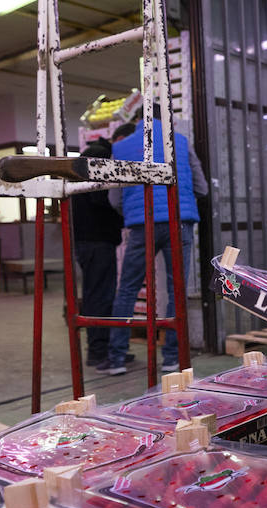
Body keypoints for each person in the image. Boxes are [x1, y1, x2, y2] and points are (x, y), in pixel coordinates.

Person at [100, 116, 205, 375]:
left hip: (141, 225)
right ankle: (171, 358)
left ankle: (116, 359)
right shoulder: (180, 141)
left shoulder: (122, 146)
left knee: (127, 289)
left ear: (138, 122)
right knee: (175, 289)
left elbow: (114, 195)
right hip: (179, 221)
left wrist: (132, 213)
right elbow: (201, 185)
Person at [69, 136, 122, 368]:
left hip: (84, 241)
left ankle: (98, 349)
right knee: (101, 296)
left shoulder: (81, 164)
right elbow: (101, 197)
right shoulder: (99, 158)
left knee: (93, 295)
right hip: (99, 240)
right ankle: (99, 352)